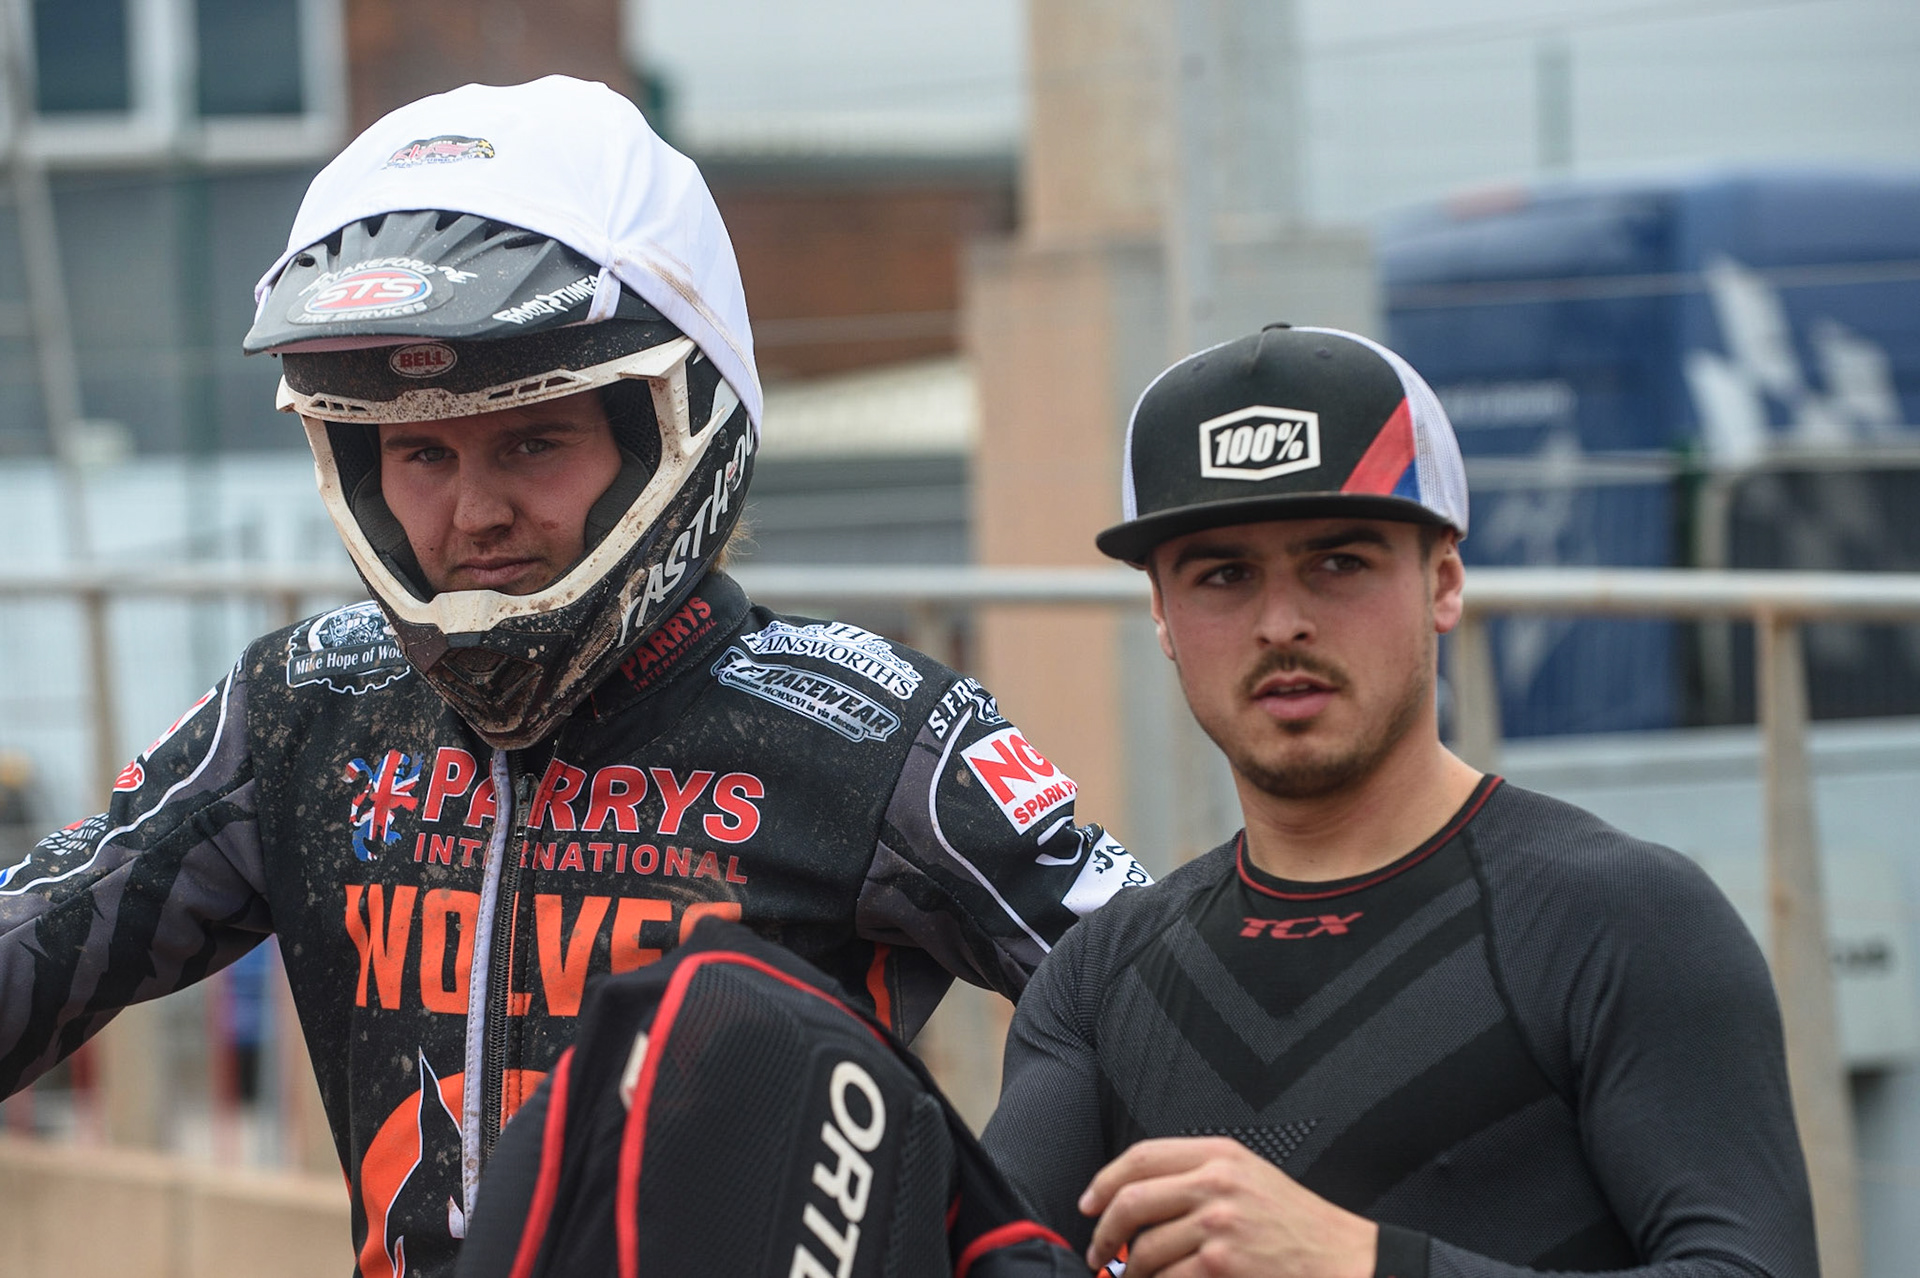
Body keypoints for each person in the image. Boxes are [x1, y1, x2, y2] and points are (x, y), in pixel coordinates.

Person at [0, 76, 1145, 1278]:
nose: (475, 510)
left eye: (533, 439)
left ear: (672, 423)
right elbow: (44, 933)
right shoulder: (303, 708)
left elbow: (1161, 993)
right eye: (421, 453)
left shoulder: (869, 728)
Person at [982, 325, 1816, 1278]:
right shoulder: (1099, 978)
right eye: (1224, 575)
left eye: (1339, 562)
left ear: (1444, 582)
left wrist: (1361, 1264)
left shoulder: (1625, 919)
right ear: (1164, 617)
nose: (1281, 621)